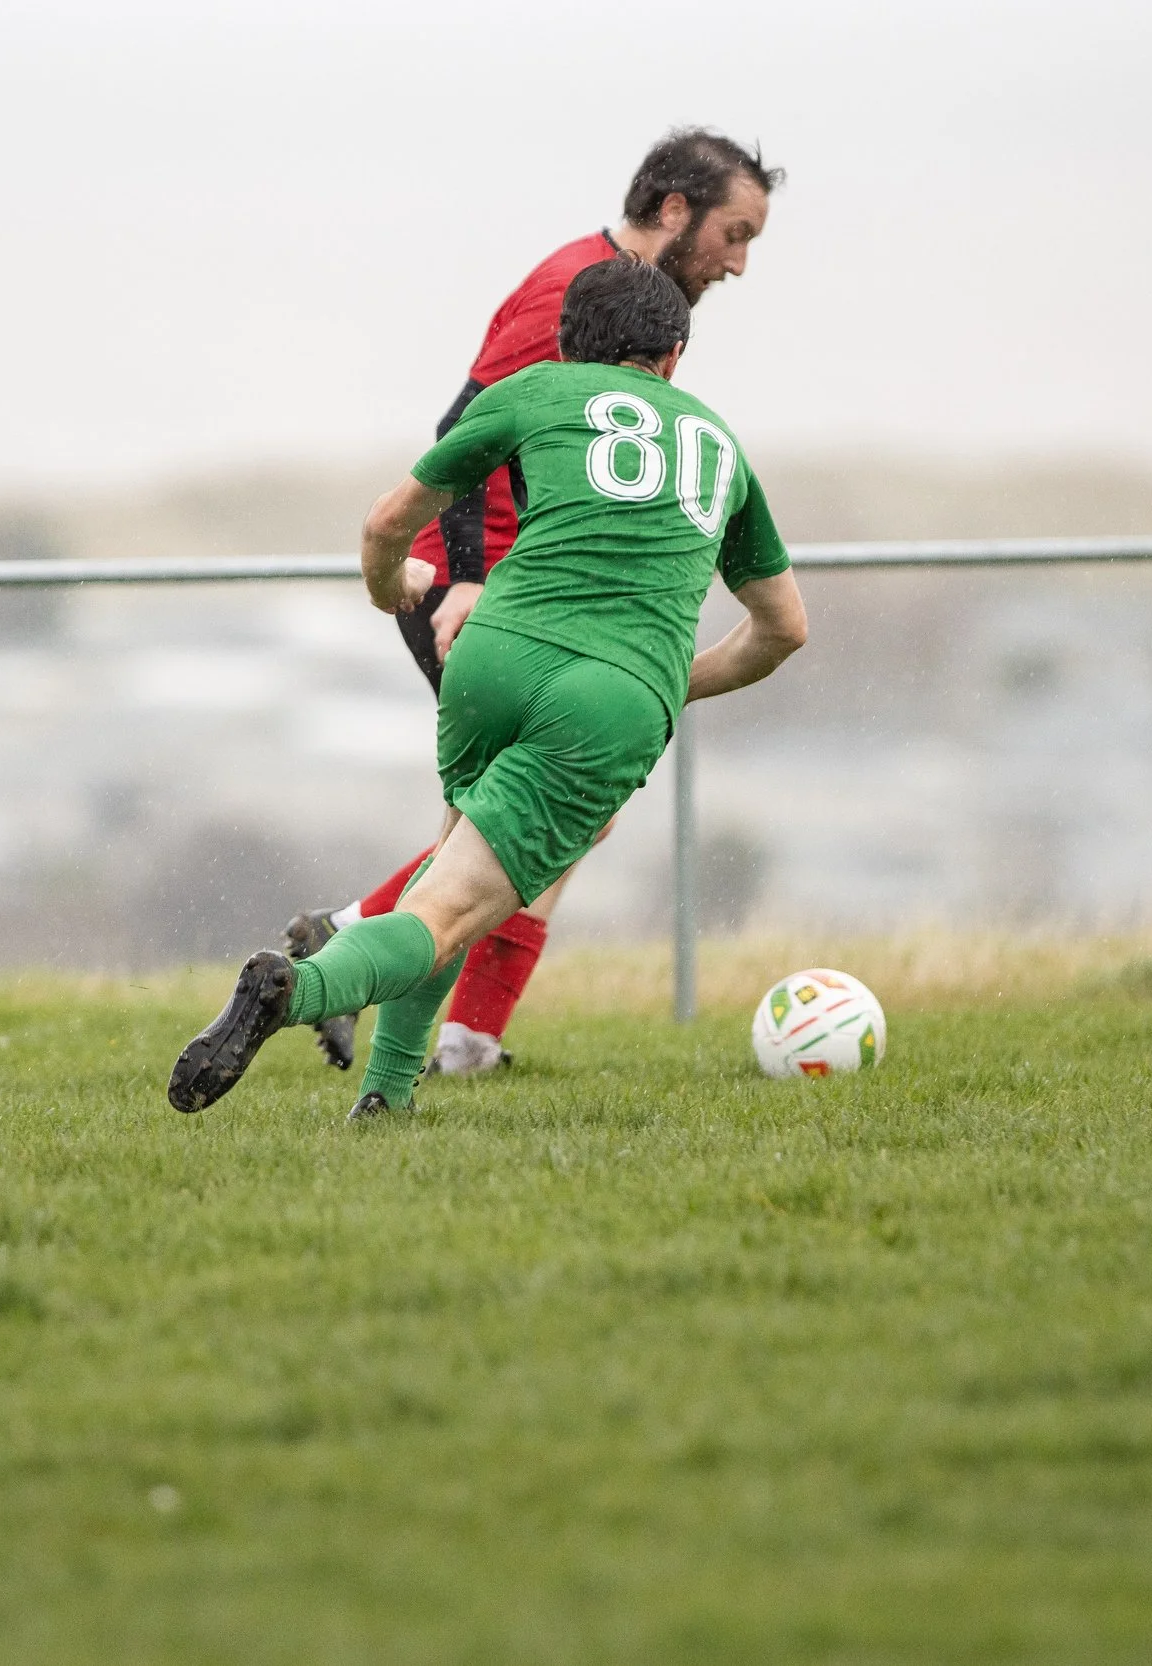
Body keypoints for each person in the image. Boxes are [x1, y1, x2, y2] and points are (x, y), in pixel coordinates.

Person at [171, 258, 807, 1120]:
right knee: (447, 916)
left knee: (446, 877)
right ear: (673, 355)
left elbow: (385, 522)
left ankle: (385, 1103)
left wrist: (388, 585)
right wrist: (668, 682)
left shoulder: (530, 390)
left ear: (569, 342)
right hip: (610, 698)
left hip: (491, 654)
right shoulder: (718, 444)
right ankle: (303, 987)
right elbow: (782, 628)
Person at [281, 128, 782, 1080]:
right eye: (735, 231)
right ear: (674, 211)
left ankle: (388, 980)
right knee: (537, 822)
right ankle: (413, 1004)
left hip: (550, 606)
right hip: (488, 597)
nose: (740, 263)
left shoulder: (624, 301)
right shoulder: (570, 287)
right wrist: (468, 574)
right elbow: (462, 430)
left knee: (521, 827)